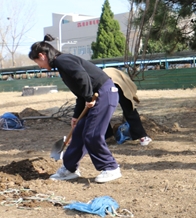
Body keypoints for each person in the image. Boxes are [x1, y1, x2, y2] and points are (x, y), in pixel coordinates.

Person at [29, 35, 122, 183]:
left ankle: (111, 167)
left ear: (42, 55)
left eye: (37, 62)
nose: (39, 66)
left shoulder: (62, 60)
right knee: (79, 133)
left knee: (92, 134)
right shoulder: (62, 64)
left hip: (104, 94)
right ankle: (69, 168)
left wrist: (88, 97)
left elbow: (82, 77)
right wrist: (76, 116)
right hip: (97, 95)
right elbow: (80, 92)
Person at [103, 67, 152, 146]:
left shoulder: (105, 72)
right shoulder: (122, 76)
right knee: (129, 109)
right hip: (115, 83)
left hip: (102, 85)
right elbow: (132, 87)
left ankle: (107, 136)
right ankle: (142, 137)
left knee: (102, 112)